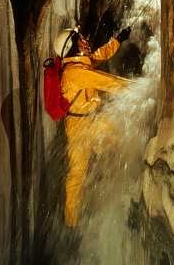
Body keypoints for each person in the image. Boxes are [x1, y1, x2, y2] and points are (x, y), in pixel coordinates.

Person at [53, 26, 132, 227]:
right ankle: (71, 222)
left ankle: (118, 185)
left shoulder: (81, 65)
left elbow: (99, 55)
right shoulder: (74, 73)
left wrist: (118, 40)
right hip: (78, 126)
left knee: (121, 141)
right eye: (80, 40)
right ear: (72, 47)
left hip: (91, 120)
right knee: (77, 175)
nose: (85, 41)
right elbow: (108, 82)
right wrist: (143, 88)